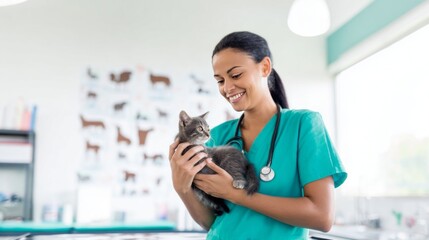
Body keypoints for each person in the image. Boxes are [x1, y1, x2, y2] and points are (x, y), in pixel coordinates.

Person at [168, 31, 347, 239]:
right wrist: (182, 188)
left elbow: (322, 217)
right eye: (219, 80)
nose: (227, 88)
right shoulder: (217, 136)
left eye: (235, 75)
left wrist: (236, 194)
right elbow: (212, 221)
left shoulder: (304, 125)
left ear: (265, 67)